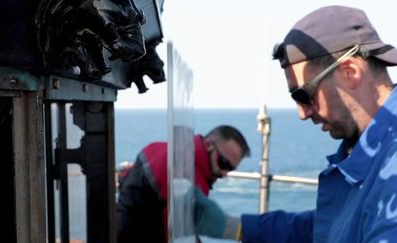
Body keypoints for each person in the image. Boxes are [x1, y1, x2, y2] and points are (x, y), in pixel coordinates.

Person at [195, 5, 397, 242]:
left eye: (304, 95)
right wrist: (236, 228)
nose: (303, 113)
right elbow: (332, 223)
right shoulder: (368, 147)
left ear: (349, 71)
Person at [116, 125, 251, 243]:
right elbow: (176, 234)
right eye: (223, 163)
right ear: (208, 145)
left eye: (230, 169)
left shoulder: (161, 148)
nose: (224, 173)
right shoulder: (189, 179)